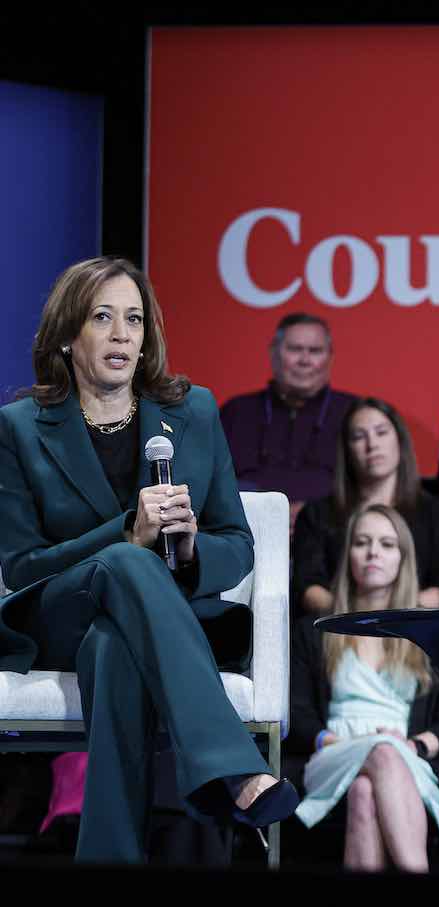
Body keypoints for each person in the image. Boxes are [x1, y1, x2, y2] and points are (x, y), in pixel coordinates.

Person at [0, 257, 298, 863]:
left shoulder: (193, 412)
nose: (120, 335)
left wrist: (187, 551)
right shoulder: (21, 427)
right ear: (66, 334)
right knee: (129, 563)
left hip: (147, 625)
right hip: (57, 616)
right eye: (101, 318)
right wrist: (127, 535)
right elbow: (20, 567)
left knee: (115, 649)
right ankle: (233, 769)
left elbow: (236, 544)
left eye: (133, 320)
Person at [289, 504, 439, 872]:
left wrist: (415, 744)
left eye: (387, 544)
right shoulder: (314, 631)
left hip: (403, 754)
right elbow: (295, 717)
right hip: (333, 752)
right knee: (382, 753)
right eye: (362, 542)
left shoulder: (427, 637)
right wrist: (330, 741)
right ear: (349, 555)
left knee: (366, 787)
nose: (373, 552)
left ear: (402, 558)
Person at [291, 397, 439, 616]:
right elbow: (309, 589)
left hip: (418, 631)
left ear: (400, 439)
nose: (372, 445)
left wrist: (387, 615)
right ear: (347, 450)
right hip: (337, 631)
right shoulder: (317, 515)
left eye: (381, 432)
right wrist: (358, 618)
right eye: (359, 437)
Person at [219, 312, 357, 528]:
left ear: (330, 357)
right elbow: (215, 486)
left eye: (315, 351)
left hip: (333, 534)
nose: (304, 360)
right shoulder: (236, 412)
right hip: (250, 531)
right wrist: (271, 511)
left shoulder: (353, 412)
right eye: (294, 349)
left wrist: (312, 513)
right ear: (273, 352)